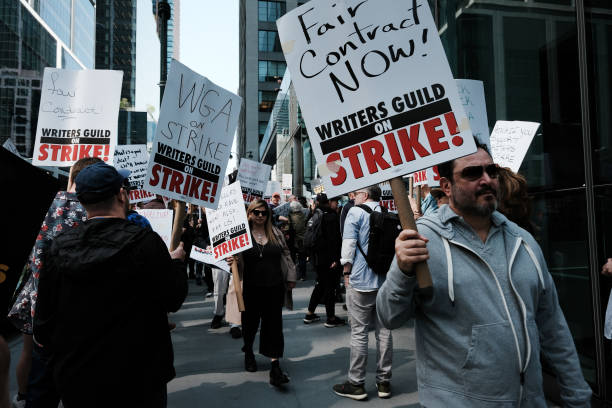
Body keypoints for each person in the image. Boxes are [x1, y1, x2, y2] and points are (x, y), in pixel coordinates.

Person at [377, 145, 592, 407]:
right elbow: (389, 316)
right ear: (446, 186)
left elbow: (553, 326)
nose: (487, 179)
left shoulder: (522, 241)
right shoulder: (421, 240)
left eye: (492, 171)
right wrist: (403, 270)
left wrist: (577, 395)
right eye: (472, 173)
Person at [33, 161, 188, 407]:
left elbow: (42, 324)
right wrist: (177, 263)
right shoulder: (146, 242)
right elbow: (174, 297)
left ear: (81, 200)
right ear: (122, 194)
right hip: (140, 378)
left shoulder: (59, 246)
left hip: (80, 379)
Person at [7, 156, 101, 408]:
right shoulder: (95, 211)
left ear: (71, 177)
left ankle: (25, 397)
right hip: (77, 311)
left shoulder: (41, 202)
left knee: (40, 376)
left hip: (38, 302)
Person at [226, 199, 296, 387]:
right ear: (249, 214)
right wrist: (231, 259)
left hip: (274, 287)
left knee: (274, 326)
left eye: (264, 213)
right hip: (251, 288)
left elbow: (286, 254)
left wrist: (291, 276)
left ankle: (275, 366)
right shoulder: (241, 236)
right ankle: (248, 351)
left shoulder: (276, 233)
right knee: (250, 325)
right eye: (256, 212)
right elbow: (235, 262)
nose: (260, 216)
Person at [333, 185, 393, 400]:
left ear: (364, 195)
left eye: (356, 193)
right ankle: (384, 382)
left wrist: (346, 272)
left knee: (359, 332)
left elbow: (348, 245)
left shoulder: (355, 212)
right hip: (385, 280)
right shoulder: (388, 213)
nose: (353, 196)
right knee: (384, 331)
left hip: (361, 279)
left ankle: (356, 383)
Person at [303, 194, 345, 327]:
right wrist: (335, 259)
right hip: (328, 259)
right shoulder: (330, 216)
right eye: (335, 201)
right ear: (329, 202)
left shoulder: (315, 214)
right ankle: (331, 318)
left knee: (321, 285)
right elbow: (334, 240)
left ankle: (309, 314)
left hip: (317, 258)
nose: (337, 204)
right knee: (329, 287)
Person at [288, 201, 307, 281]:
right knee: (302, 258)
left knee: (292, 259)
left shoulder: (290, 217)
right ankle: (303, 275)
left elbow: (291, 229)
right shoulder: (303, 215)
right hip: (303, 239)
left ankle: (294, 275)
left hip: (294, 240)